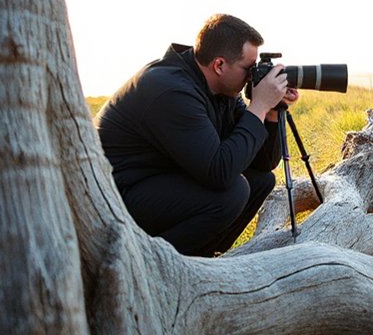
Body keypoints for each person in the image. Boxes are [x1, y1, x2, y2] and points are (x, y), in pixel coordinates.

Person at [95, 14, 298, 257]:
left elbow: (263, 163)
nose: (252, 76)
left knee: (260, 180)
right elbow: (219, 171)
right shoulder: (171, 89)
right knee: (232, 192)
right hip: (113, 198)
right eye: (248, 68)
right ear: (219, 65)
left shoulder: (221, 90)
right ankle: (151, 261)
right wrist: (259, 106)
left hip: (156, 180)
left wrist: (271, 112)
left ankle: (205, 256)